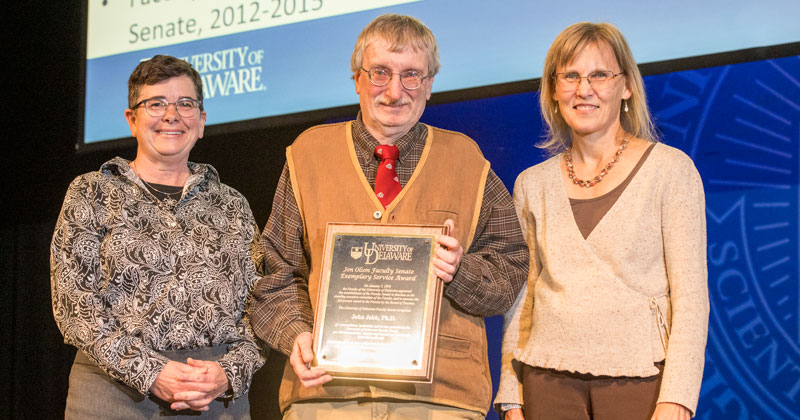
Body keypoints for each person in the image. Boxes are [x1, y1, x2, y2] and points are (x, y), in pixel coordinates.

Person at [250, 13, 529, 419]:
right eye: (380, 73)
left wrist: (459, 270)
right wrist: (298, 334)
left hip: (440, 399)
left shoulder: (468, 162)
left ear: (430, 84)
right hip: (326, 398)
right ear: (357, 79)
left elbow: (510, 272)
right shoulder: (307, 155)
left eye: (412, 75)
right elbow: (274, 272)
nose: (395, 91)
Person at [495, 22, 709, 420]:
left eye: (599, 75)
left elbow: (691, 300)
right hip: (546, 382)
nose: (583, 89)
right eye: (570, 76)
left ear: (626, 85)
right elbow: (521, 300)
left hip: (640, 382)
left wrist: (677, 397)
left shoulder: (672, 171)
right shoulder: (531, 184)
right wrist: (511, 395)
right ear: (554, 90)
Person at [51, 55, 265, 419]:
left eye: (185, 104)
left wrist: (228, 372)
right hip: (113, 394)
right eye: (156, 104)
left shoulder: (232, 204)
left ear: (201, 122)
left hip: (214, 398)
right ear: (131, 119)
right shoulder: (91, 192)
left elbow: (262, 302)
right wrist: (149, 371)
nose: (172, 115)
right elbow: (74, 303)